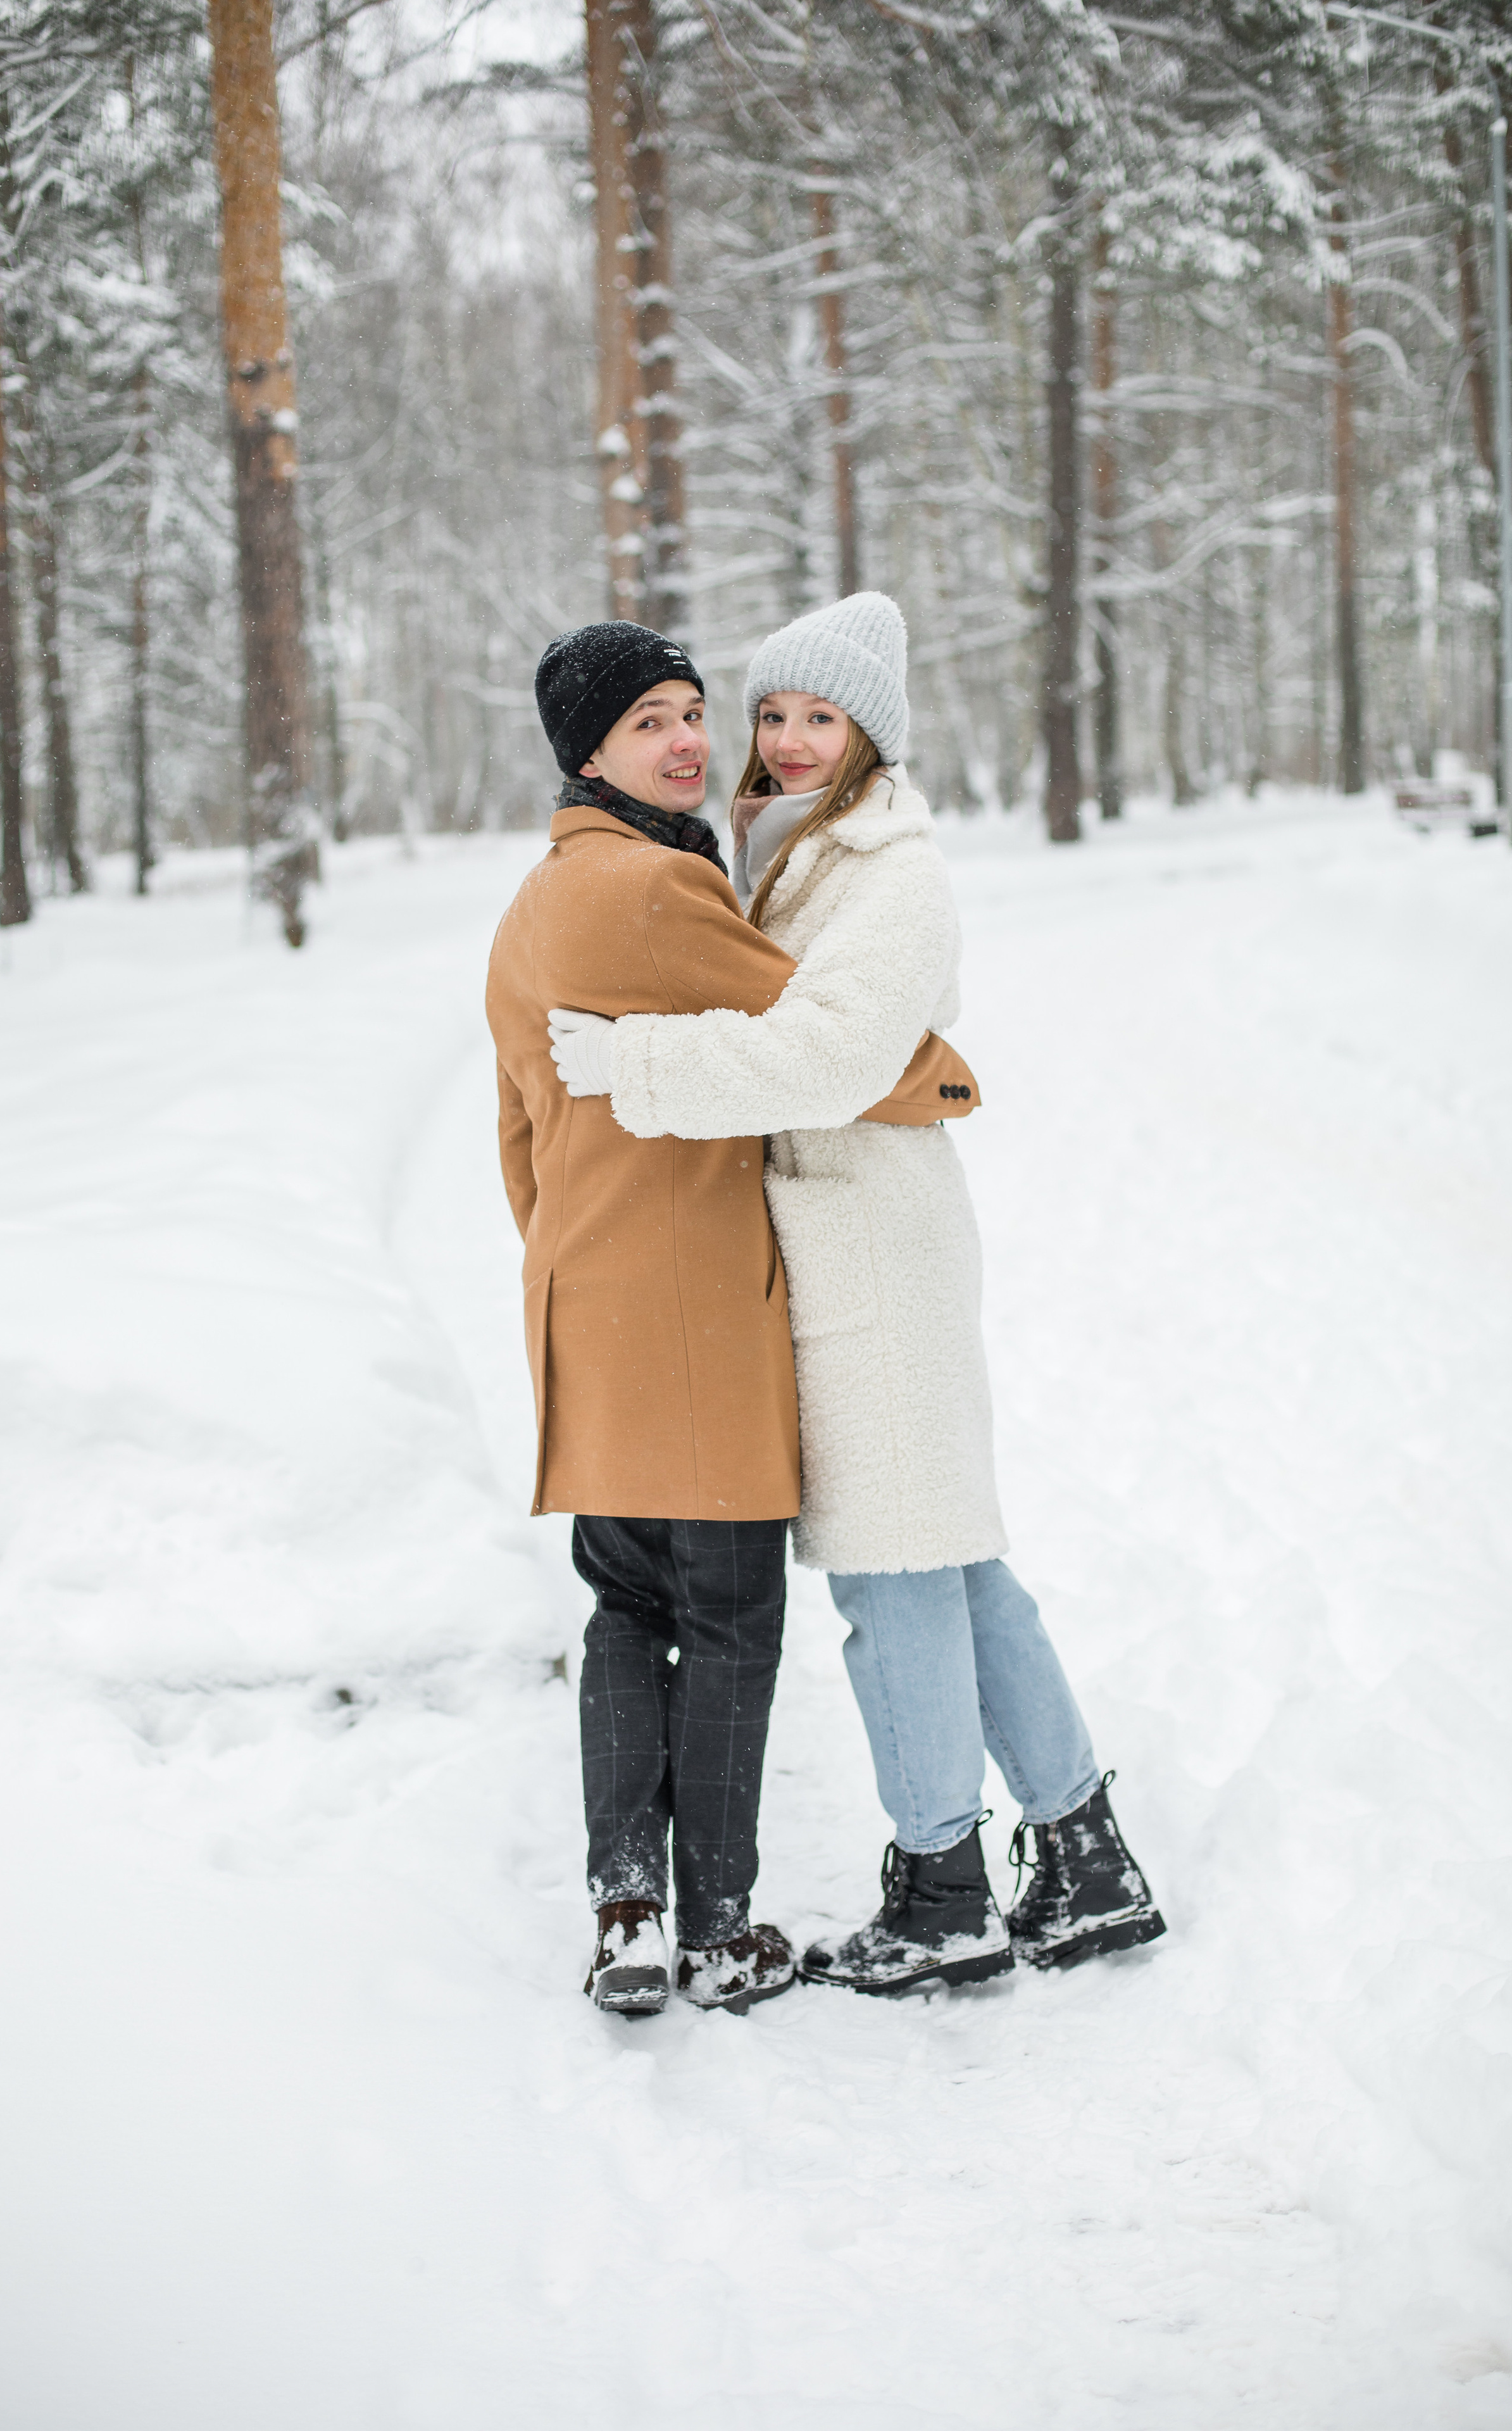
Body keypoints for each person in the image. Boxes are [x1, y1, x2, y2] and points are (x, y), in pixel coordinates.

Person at [547, 593, 1165, 1995]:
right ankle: (1081, 1852)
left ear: (869, 731)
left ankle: (943, 1889)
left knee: (889, 1583)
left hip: (872, 1257)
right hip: (844, 1245)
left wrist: (634, 1070)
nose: (783, 738)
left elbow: (826, 1058)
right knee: (952, 1561)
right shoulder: (788, 852)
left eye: (818, 716)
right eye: (768, 712)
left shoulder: (893, 873)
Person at [484, 618, 980, 2017]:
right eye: (650, 721)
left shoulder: (531, 903)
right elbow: (845, 1048)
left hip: (585, 1299)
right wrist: (947, 1082)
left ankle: (624, 1907)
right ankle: (714, 1929)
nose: (693, 741)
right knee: (727, 1618)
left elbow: (515, 1136)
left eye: (695, 711)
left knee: (624, 1611)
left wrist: (571, 1263)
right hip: (696, 1307)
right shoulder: (657, 891)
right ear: (588, 749)